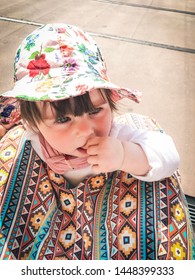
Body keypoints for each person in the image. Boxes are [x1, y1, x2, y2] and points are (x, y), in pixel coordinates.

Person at [0, 23, 194, 260]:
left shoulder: (117, 135)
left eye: (95, 111)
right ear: (33, 123)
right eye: (63, 118)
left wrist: (125, 154)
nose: (85, 129)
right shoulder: (31, 137)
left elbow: (169, 155)